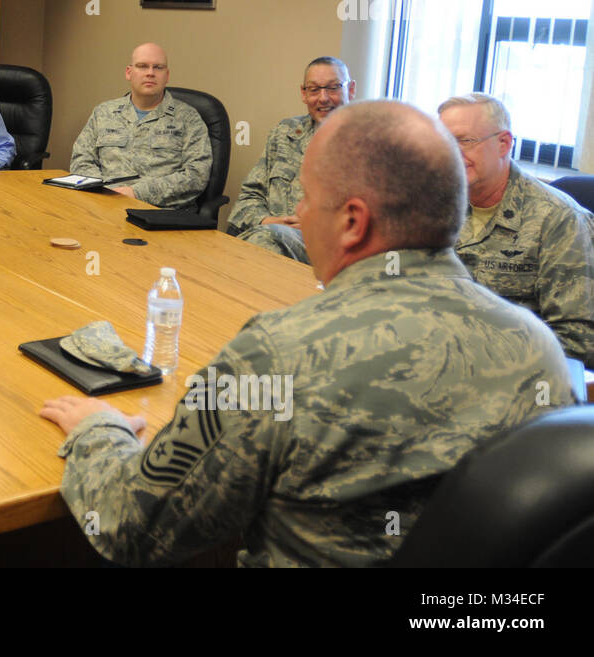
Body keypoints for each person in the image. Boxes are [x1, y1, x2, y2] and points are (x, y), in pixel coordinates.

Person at [40, 101, 572, 567]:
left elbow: (133, 528)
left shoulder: (277, 355)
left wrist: (98, 430)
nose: (297, 213)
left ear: (352, 222)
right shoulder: (538, 348)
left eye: (308, 199)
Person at [438, 93, 594, 367]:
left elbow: (579, 340)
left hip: (517, 377)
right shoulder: (436, 205)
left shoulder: (558, 219)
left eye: (465, 141)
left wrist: (479, 352)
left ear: (503, 144)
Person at [227, 56, 357, 261]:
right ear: (304, 94)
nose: (323, 98)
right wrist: (268, 221)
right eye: (314, 90)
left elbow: (381, 223)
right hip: (270, 238)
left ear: (350, 89)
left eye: (333, 88)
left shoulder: (370, 145)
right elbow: (248, 198)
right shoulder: (286, 133)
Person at [68, 43, 211, 207]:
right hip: (103, 206)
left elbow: (196, 175)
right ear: (129, 73)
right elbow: (81, 160)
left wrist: (136, 193)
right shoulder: (103, 112)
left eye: (158, 67)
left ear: (167, 75)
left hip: (160, 214)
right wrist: (104, 191)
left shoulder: (188, 118)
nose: (150, 73)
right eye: (142, 66)